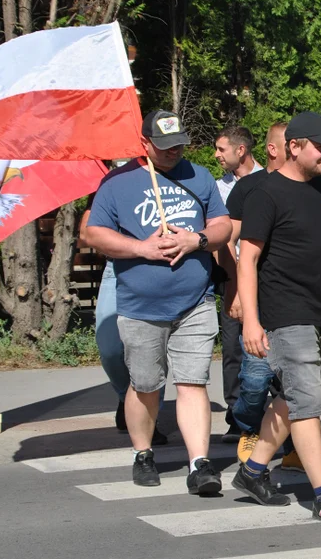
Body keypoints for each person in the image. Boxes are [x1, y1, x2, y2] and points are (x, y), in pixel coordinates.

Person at [86, 110, 231, 492]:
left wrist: (194, 240)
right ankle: (143, 453)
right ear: (145, 144)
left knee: (192, 382)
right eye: (165, 147)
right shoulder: (117, 183)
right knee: (146, 384)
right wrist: (141, 248)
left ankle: (199, 464)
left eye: (179, 145)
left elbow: (222, 226)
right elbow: (95, 234)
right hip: (140, 305)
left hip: (195, 301)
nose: (174, 153)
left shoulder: (198, 177)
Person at [231, 111, 321, 524]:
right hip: (285, 313)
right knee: (307, 404)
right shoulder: (266, 193)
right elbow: (248, 259)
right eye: (320, 146)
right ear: (294, 146)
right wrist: (251, 322)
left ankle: (252, 471)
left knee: (292, 398)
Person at [80, 206, 167, 444]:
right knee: (109, 347)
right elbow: (86, 232)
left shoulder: (167, 179)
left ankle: (151, 420)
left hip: (158, 266)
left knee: (155, 347)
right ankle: (125, 396)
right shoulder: (110, 182)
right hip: (117, 267)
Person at [212, 126, 263, 443]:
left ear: (241, 150)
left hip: (263, 276)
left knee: (260, 349)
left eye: (221, 149)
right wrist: (229, 282)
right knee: (232, 347)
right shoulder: (217, 188)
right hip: (231, 274)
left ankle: (262, 412)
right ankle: (236, 414)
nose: (216, 155)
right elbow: (221, 238)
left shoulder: (269, 179)